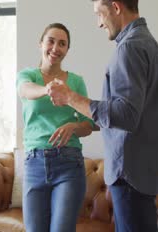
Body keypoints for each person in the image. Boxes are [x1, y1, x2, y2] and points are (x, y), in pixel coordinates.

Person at [48, 0, 158, 232]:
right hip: (142, 174)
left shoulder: (131, 48)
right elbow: (133, 110)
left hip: (130, 175)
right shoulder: (148, 44)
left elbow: (126, 115)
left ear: (116, 7)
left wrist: (71, 97)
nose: (99, 23)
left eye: (99, 14)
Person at [17, 23, 94, 232]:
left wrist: (73, 126)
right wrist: (47, 89)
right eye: (51, 41)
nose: (55, 48)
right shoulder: (28, 76)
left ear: (67, 50)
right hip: (34, 164)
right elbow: (25, 91)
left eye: (62, 44)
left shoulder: (76, 81)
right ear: (40, 43)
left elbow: (90, 124)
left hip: (69, 164)